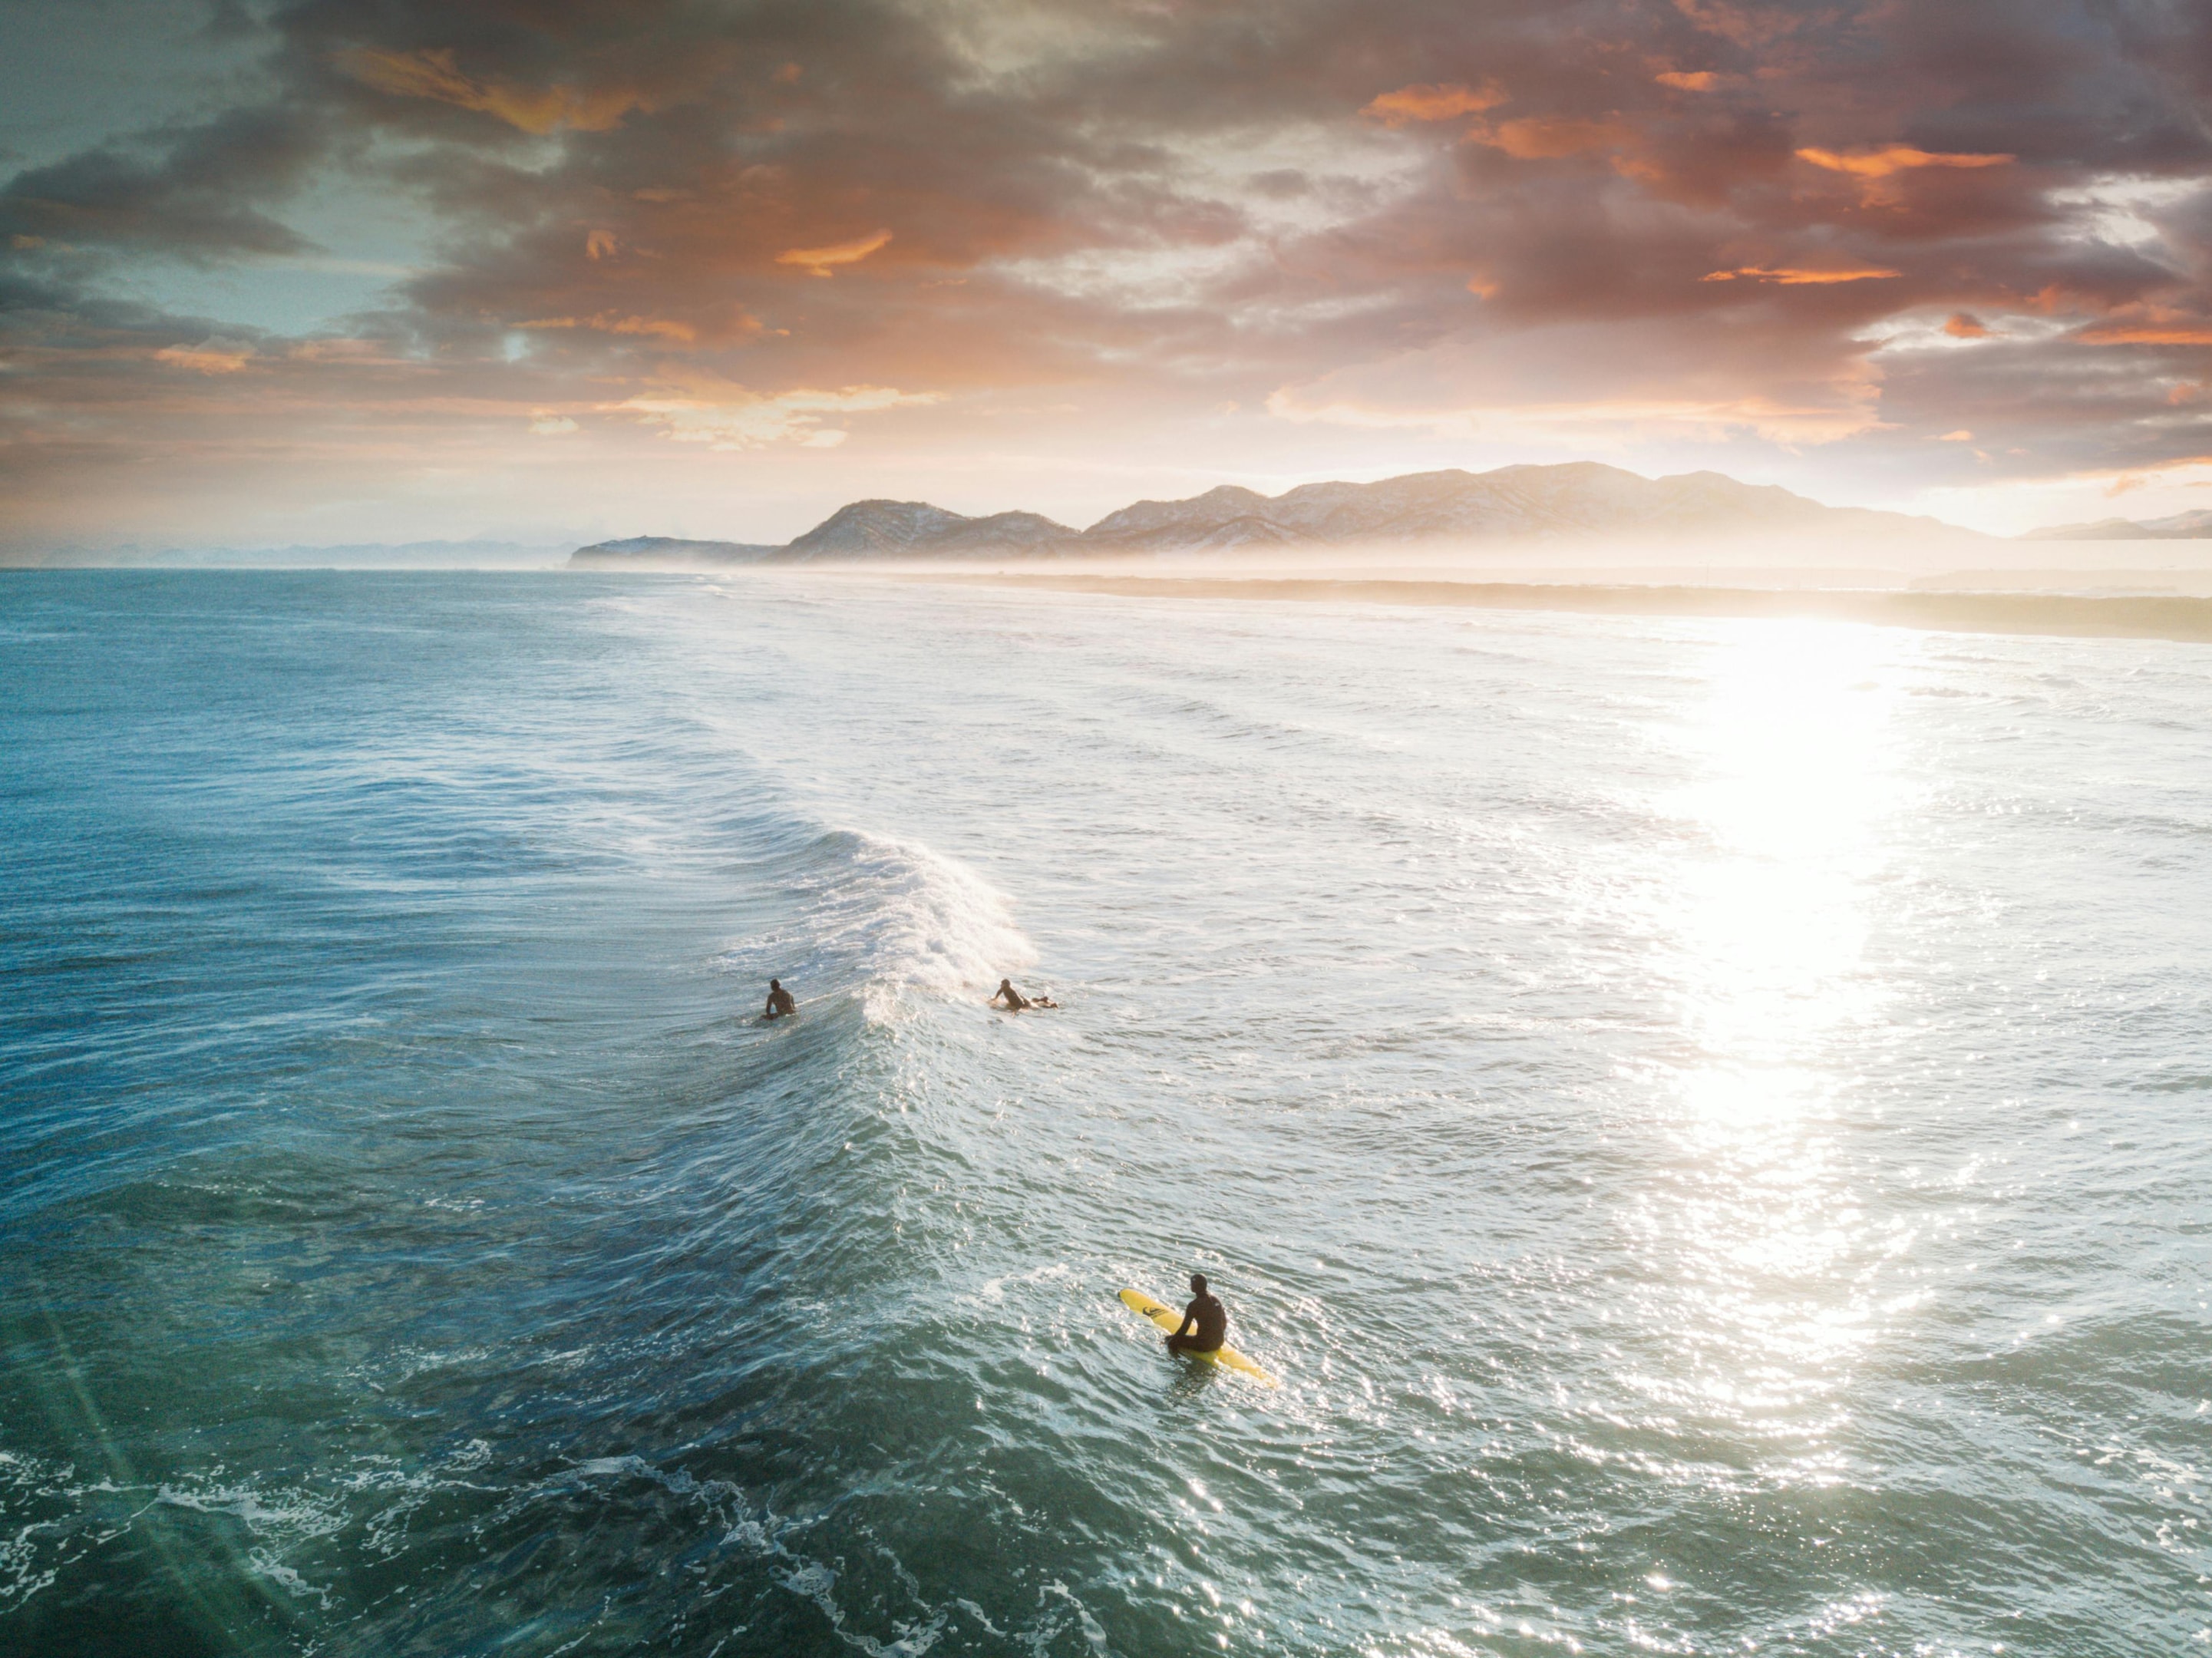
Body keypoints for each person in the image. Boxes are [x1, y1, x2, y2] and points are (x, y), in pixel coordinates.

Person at [1165, 1273, 1227, 1356]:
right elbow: (1224, 1322)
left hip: (1204, 1345)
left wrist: (1171, 1342)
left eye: (1192, 1284)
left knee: (1169, 1340)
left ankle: (1176, 1360)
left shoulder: (1193, 1305)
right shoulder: (1216, 1300)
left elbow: (1184, 1329)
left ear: (1194, 1287)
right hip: (1219, 1342)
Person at [989, 978, 1056, 1009]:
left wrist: (1017, 1009)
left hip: (1024, 1003)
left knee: (1034, 1007)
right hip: (1022, 1000)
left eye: (1002, 984)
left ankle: (1052, 1006)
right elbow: (999, 991)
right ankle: (1041, 1000)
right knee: (1033, 1002)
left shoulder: (1012, 992)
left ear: (1007, 986)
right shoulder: (1004, 989)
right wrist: (995, 998)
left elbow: (1020, 1002)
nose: (1001, 985)